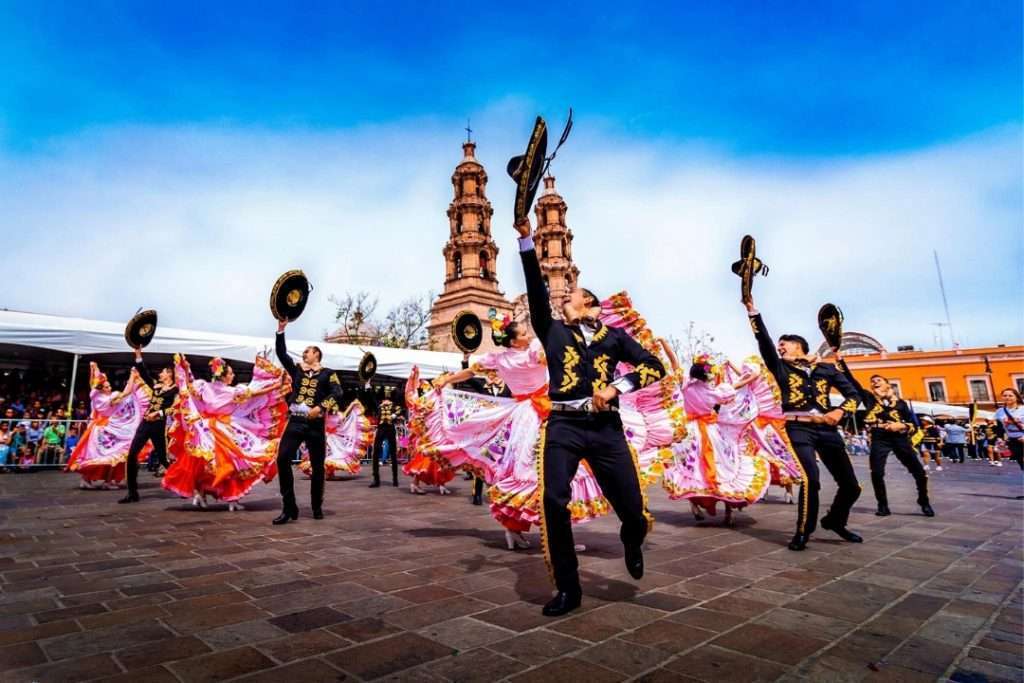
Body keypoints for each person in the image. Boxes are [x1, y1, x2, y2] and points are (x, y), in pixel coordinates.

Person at [516, 215, 666, 617]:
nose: (562, 299)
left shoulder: (614, 338)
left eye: (570, 297)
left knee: (633, 511)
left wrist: (618, 388)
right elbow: (535, 288)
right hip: (563, 425)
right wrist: (526, 240)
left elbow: (654, 366)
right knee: (553, 498)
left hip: (606, 429)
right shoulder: (552, 330)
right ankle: (569, 588)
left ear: (591, 305)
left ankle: (631, 539)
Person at [744, 295, 862, 551]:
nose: (780, 348)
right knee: (810, 480)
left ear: (799, 346)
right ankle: (803, 532)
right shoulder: (779, 367)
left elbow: (855, 395)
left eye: (784, 344)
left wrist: (840, 412)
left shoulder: (827, 369)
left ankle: (834, 521)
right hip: (798, 428)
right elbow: (762, 340)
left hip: (828, 428)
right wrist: (752, 311)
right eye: (779, 346)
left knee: (852, 486)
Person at [163, 355, 287, 511]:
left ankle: (200, 494)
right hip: (226, 429)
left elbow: (189, 386)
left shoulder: (204, 386)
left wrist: (186, 369)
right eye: (231, 373)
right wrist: (275, 386)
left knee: (203, 465)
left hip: (205, 429)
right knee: (233, 463)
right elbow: (254, 394)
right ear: (224, 375)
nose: (233, 375)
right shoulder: (231, 391)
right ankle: (231, 499)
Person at [834, 358, 934, 517]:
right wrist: (840, 361)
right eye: (872, 381)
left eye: (878, 380)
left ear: (888, 385)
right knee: (877, 472)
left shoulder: (900, 404)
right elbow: (851, 380)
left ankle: (924, 500)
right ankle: (882, 504)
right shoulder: (869, 398)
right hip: (879, 438)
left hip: (899, 438)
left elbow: (913, 423)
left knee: (919, 472)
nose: (874, 382)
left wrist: (902, 425)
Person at [272, 319, 343, 524]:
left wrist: (320, 407)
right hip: (295, 421)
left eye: (308, 351)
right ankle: (289, 507)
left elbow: (338, 392)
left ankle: (316, 506)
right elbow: (281, 354)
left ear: (317, 354)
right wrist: (281, 330)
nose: (304, 354)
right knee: (283, 458)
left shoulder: (329, 374)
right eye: (304, 352)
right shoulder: (297, 370)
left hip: (315, 425)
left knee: (317, 466)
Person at [65, 363, 151, 489]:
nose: (109, 387)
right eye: (106, 386)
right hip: (107, 430)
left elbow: (95, 381)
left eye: (109, 385)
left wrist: (95, 369)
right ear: (102, 389)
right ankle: (104, 481)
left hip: (99, 429)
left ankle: (92, 480)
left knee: (101, 457)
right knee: (112, 456)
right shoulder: (109, 399)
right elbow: (127, 392)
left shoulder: (96, 397)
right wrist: (132, 377)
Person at [121, 349, 178, 503]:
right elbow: (144, 373)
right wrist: (138, 355)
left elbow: (175, 408)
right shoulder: (156, 386)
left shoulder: (175, 390)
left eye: (163, 372)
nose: (160, 374)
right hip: (145, 423)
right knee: (132, 455)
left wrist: (158, 414)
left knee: (163, 459)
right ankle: (132, 493)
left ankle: (184, 484)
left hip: (158, 426)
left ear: (170, 374)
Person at [368, 387, 400, 488]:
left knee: (393, 453)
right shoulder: (379, 404)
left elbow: (401, 409)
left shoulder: (394, 405)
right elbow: (372, 398)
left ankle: (395, 479)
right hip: (381, 428)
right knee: (375, 452)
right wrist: (368, 387)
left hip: (390, 428)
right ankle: (376, 479)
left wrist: (394, 415)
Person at [995, 389, 1023, 476]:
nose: (1007, 397)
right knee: (1021, 463)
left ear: (1017, 397)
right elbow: (1000, 427)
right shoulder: (1000, 411)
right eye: (1005, 395)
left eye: (1010, 395)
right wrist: (1000, 439)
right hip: (1014, 441)